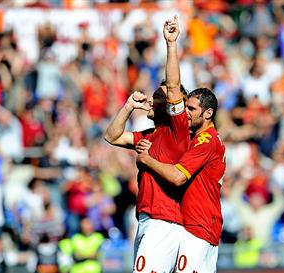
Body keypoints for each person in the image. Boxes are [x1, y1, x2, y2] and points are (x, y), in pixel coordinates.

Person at [104, 16, 190, 272]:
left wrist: (171, 44)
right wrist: (129, 106)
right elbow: (113, 136)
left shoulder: (177, 130)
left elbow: (172, 85)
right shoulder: (148, 135)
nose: (151, 101)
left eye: (157, 97)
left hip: (164, 221)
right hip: (146, 219)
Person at [136, 88, 226, 272]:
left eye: (192, 109)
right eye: (185, 108)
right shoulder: (199, 139)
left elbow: (178, 177)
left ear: (208, 113)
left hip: (198, 224)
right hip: (203, 224)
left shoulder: (206, 140)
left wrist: (147, 159)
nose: (186, 113)